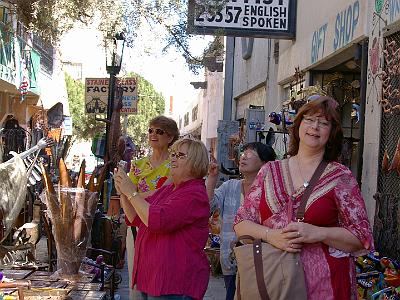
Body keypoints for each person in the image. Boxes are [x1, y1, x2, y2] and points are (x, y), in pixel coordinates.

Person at [233, 95, 374, 300]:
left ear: (331, 133)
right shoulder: (270, 171)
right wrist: (271, 235)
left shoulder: (340, 177)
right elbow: (241, 223)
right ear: (298, 126)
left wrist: (317, 233)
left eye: (323, 123)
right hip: (273, 282)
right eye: (309, 119)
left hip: (325, 287)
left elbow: (362, 238)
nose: (314, 126)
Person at [114, 138, 210, 300]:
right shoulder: (169, 190)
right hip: (152, 278)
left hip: (174, 283)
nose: (173, 158)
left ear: (195, 162)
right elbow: (135, 216)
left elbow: (156, 221)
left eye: (180, 155)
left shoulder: (194, 194)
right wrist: (123, 192)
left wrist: (131, 192)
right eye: (173, 154)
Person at [206, 142, 276, 300]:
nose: (243, 157)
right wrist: (212, 178)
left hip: (261, 261)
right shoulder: (230, 186)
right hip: (231, 261)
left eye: (250, 154)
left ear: (265, 164)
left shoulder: (272, 191)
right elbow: (207, 208)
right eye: (243, 154)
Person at [124, 115, 179, 299]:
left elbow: (166, 193)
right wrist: (131, 196)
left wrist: (134, 195)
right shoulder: (138, 165)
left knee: (158, 277)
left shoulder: (175, 164)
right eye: (151, 130)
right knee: (137, 278)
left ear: (170, 137)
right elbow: (125, 193)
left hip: (162, 226)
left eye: (159, 131)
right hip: (137, 227)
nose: (153, 134)